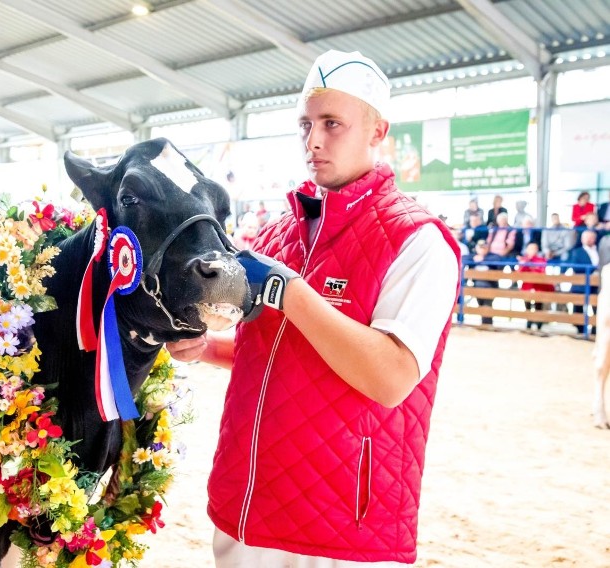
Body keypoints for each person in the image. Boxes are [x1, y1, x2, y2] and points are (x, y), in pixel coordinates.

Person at [167, 49, 460, 566]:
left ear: (377, 131)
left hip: (340, 525)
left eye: (332, 124)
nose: (314, 141)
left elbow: (390, 378)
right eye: (306, 124)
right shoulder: (280, 232)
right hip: (246, 505)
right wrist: (206, 347)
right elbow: (277, 351)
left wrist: (291, 291)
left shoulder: (418, 241)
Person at [516, 242, 553, 330]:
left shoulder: (541, 260)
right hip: (527, 286)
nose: (532, 250)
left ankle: (538, 322)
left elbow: (541, 272)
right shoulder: (524, 260)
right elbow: (520, 272)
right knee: (527, 305)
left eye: (534, 248)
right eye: (530, 248)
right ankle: (529, 321)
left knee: (538, 305)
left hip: (539, 286)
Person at [465, 240, 503, 325]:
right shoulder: (473, 257)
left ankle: (487, 324)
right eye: (480, 248)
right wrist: (475, 258)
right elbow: (464, 258)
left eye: (484, 248)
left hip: (490, 286)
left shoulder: (493, 257)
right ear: (476, 248)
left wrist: (483, 259)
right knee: (481, 304)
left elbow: (498, 260)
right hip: (477, 286)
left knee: (487, 305)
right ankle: (484, 323)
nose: (482, 250)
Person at [569, 229, 599, 335]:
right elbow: (576, 267)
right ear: (582, 239)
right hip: (582, 283)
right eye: (587, 237)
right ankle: (580, 329)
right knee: (579, 307)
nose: (589, 240)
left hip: (597, 284)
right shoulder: (577, 252)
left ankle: (595, 329)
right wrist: (593, 270)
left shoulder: (599, 250)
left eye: (591, 237)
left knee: (597, 307)